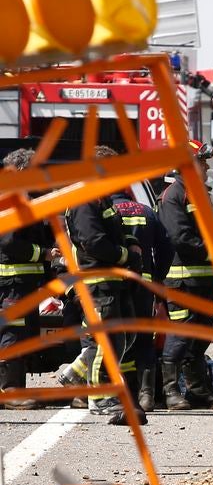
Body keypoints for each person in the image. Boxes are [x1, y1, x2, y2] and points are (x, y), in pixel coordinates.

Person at [65, 171, 144, 426]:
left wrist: (131, 243)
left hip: (113, 280)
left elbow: (117, 231)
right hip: (96, 281)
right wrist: (126, 256)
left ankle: (75, 374)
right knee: (108, 341)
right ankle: (100, 397)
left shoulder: (103, 199)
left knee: (125, 336)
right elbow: (94, 241)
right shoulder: (83, 201)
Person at [99, 147, 174, 412]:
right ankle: (146, 395)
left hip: (116, 283)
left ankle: (120, 391)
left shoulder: (106, 213)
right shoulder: (146, 210)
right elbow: (167, 248)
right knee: (143, 337)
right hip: (144, 284)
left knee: (119, 337)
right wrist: (157, 276)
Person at [158, 139, 213, 411]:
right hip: (182, 280)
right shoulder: (174, 196)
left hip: (202, 280)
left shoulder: (199, 194)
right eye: (201, 160)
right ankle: (170, 390)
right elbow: (181, 238)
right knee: (181, 334)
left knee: (202, 334)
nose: (206, 165)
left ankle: (197, 389)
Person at [0, 149, 54, 410]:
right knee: (14, 332)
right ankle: (12, 389)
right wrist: (43, 253)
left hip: (22, 282)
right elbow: (10, 243)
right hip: (13, 283)